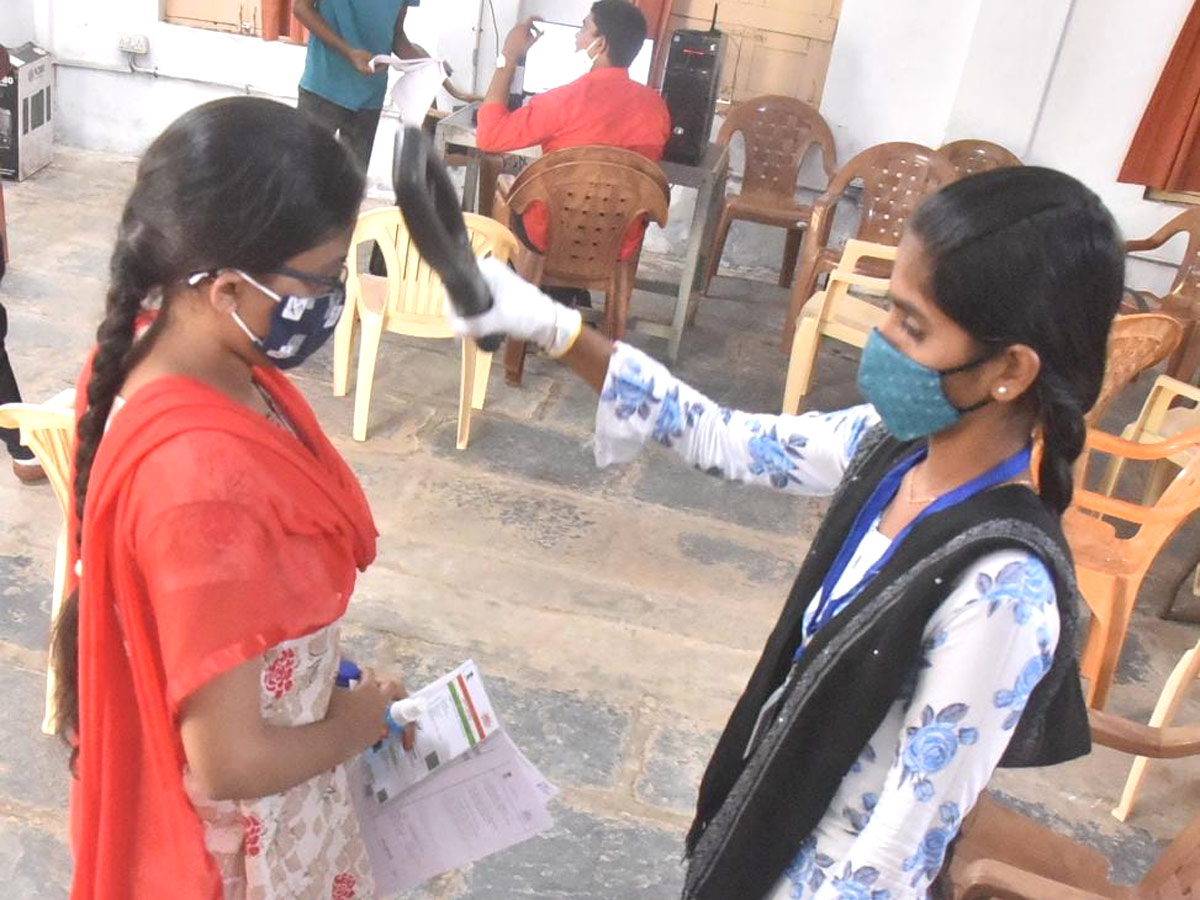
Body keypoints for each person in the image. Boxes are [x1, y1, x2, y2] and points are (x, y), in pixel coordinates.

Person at [451, 166, 1120, 900]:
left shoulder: (1003, 595)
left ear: (1009, 370)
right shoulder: (892, 449)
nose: (882, 340)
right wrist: (556, 329)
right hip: (770, 837)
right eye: (890, 310)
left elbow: (897, 854)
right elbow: (729, 439)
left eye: (913, 326)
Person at [53, 97, 415, 899]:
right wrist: (355, 724)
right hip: (241, 842)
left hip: (274, 730)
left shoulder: (159, 352)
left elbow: (211, 614)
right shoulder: (202, 483)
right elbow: (231, 760)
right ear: (223, 289)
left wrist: (304, 668)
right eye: (320, 281)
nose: (333, 301)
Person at [477, 1, 671, 270]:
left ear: (600, 44)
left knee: (503, 184)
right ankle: (580, 289)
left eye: (583, 28)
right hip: (618, 237)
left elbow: (489, 138)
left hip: (550, 232)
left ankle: (507, 284)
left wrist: (508, 57)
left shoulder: (562, 101)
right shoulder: (656, 107)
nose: (576, 37)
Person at [293, 0, 424, 170]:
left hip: (369, 97)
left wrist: (427, 65)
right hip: (323, 88)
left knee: (352, 184)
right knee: (304, 177)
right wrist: (348, 51)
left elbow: (397, 34)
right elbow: (301, 9)